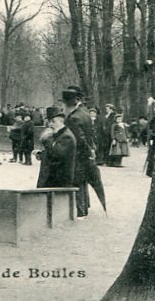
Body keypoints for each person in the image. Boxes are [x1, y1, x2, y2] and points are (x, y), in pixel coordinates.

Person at [63, 86, 98, 218]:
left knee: (76, 181)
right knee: (82, 181)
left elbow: (79, 138)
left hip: (77, 154)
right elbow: (92, 134)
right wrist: (92, 150)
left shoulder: (73, 117)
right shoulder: (85, 113)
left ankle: (80, 211)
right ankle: (84, 209)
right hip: (86, 154)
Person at [36, 107, 76, 188]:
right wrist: (41, 154)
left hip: (59, 181)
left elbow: (57, 154)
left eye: (53, 121)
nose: (50, 124)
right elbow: (52, 152)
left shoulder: (66, 136)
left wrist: (47, 138)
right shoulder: (58, 134)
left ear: (61, 121)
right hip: (52, 180)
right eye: (49, 122)